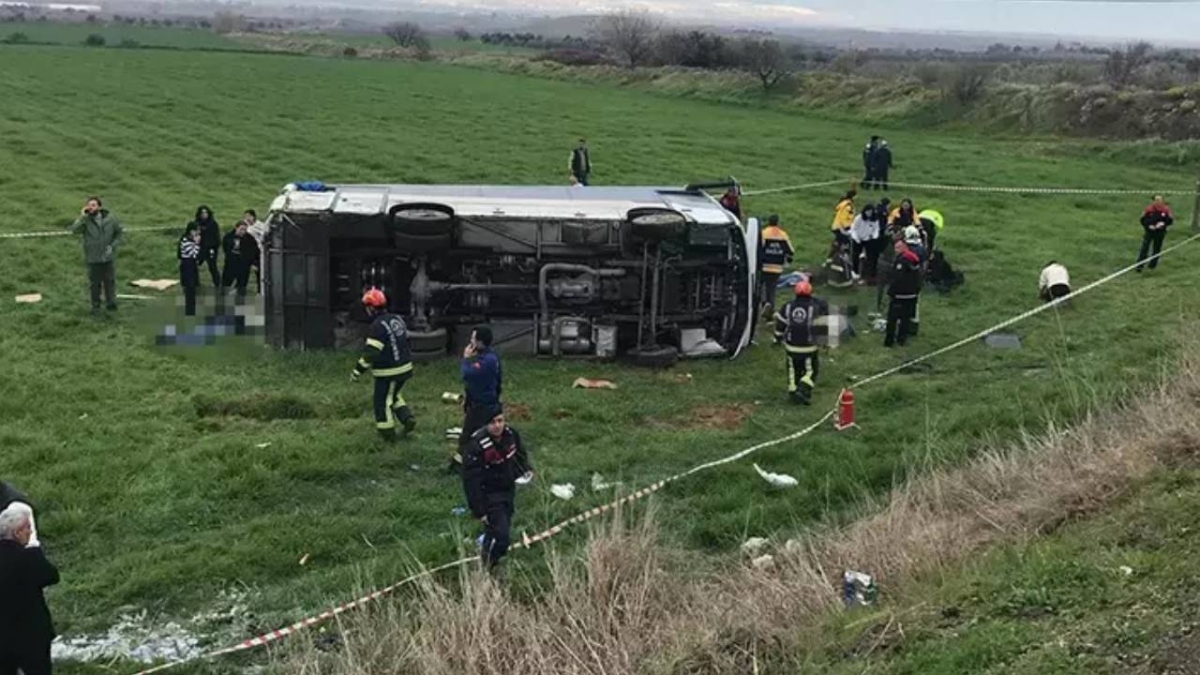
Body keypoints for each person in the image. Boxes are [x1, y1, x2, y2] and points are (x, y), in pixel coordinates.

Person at [461, 408, 533, 570]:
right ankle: (488, 564)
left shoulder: (511, 435)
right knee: (502, 538)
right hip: (489, 495)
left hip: (507, 490)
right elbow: (471, 482)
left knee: (497, 529)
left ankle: (485, 557)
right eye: (492, 422)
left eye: (500, 421)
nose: (497, 426)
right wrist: (480, 511)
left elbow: (520, 455)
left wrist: (525, 470)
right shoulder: (476, 446)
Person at [0, 503, 59, 675]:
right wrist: (35, 549)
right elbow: (51, 576)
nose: (31, 532)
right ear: (17, 532)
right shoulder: (27, 557)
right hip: (31, 634)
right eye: (28, 528)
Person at [350, 288, 416, 441]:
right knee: (393, 395)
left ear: (371, 308)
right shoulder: (397, 319)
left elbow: (371, 353)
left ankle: (387, 434)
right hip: (405, 367)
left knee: (382, 401)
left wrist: (357, 371)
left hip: (388, 371)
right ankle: (407, 418)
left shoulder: (377, 326)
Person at [453, 326, 503, 471]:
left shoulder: (487, 361)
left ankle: (459, 465)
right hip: (485, 403)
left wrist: (466, 359)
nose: (470, 341)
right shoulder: (490, 357)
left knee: (467, 437)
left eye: (473, 338)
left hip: (482, 406)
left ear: (480, 342)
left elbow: (468, 375)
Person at [773, 280, 828, 406]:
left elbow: (780, 325)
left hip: (791, 347)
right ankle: (803, 389)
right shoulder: (815, 308)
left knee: (793, 370)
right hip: (809, 348)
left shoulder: (787, 306)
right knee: (811, 370)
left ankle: (793, 392)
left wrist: (777, 338)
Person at [68, 196, 123, 316]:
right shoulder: (86, 221)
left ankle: (111, 303)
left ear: (99, 206)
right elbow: (74, 230)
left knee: (110, 282)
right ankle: (96, 306)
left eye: (93, 205)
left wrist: (112, 246)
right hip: (93, 258)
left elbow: (119, 233)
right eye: (89, 205)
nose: (90, 207)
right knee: (95, 284)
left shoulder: (111, 219)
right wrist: (82, 216)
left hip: (108, 257)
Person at [884, 239, 922, 348]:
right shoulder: (914, 259)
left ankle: (889, 341)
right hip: (912, 295)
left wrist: (891, 292)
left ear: (904, 247)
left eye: (898, 248)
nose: (896, 250)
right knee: (905, 319)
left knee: (892, 318)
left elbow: (897, 278)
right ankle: (902, 340)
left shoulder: (902, 261)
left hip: (900, 295)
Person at [759, 215, 795, 316]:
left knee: (761, 287)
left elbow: (758, 248)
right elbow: (791, 251)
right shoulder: (783, 235)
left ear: (769, 222)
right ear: (778, 222)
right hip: (777, 268)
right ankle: (770, 308)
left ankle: (763, 304)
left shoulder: (764, 233)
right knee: (772, 289)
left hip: (764, 266)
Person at [221, 220, 260, 303]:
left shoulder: (249, 239)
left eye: (245, 230)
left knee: (242, 285)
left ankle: (239, 302)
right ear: (236, 228)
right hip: (231, 264)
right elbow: (225, 247)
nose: (243, 232)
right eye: (241, 229)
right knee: (226, 283)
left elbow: (254, 251)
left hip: (243, 266)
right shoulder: (229, 237)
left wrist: (254, 263)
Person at [1136, 195, 1174, 272]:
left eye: (1160, 200)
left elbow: (1170, 221)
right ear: (1153, 201)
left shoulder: (1166, 210)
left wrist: (1163, 224)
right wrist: (1149, 226)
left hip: (1160, 232)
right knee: (1145, 248)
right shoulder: (1149, 209)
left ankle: (1152, 266)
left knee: (1156, 249)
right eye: (1156, 200)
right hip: (1149, 232)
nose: (1158, 202)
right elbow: (1143, 220)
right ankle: (1139, 266)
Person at [849, 203, 882, 283]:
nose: (869, 214)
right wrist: (856, 238)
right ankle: (855, 271)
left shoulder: (875, 219)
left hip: (868, 239)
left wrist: (874, 237)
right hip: (858, 239)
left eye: (871, 212)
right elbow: (853, 229)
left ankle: (870, 273)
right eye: (867, 212)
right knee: (855, 254)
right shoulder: (859, 218)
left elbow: (876, 229)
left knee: (871, 256)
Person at [190, 206, 221, 288]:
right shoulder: (196, 223)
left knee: (212, 267)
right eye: (202, 213)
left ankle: (217, 283)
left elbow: (216, 238)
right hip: (199, 248)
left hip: (211, 248)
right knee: (194, 265)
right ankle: (195, 283)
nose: (204, 215)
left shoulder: (213, 224)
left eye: (205, 212)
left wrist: (213, 247)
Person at [178, 223, 202, 317]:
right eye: (196, 230)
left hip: (192, 266)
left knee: (194, 288)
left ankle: (193, 311)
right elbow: (194, 254)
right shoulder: (185, 240)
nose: (198, 233)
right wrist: (197, 243)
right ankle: (190, 313)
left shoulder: (191, 240)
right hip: (187, 265)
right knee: (190, 289)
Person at [243, 210, 267, 293]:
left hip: (260, 251)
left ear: (253, 216)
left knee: (260, 272)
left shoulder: (260, 225)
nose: (247, 218)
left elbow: (265, 235)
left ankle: (260, 290)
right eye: (246, 216)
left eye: (249, 216)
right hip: (250, 251)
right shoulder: (245, 226)